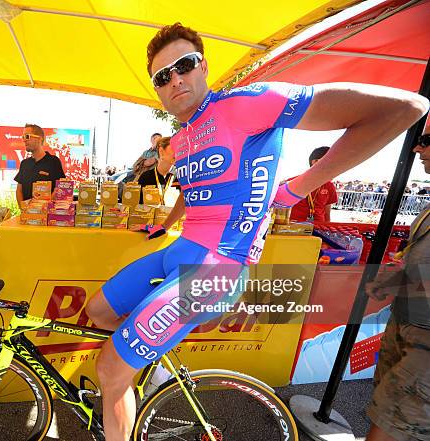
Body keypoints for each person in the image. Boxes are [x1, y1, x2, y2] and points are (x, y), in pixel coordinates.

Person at [84, 22, 429, 441]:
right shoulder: (184, 136)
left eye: (184, 65)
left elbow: (406, 108)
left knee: (109, 368)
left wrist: (299, 187)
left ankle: (122, 389)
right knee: (98, 312)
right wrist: (167, 224)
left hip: (215, 272)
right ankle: (144, 370)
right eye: (162, 77)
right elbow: (190, 192)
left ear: (203, 66)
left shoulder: (246, 103)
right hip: (180, 251)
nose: (174, 80)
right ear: (156, 89)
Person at [364, 129, 429, 441]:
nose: (417, 148)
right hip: (406, 326)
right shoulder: (428, 209)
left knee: (392, 423)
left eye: (428, 141)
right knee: (385, 410)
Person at [14, 123, 66, 205]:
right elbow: (19, 190)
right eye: (23, 137)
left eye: (27, 136)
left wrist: (45, 209)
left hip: (46, 215)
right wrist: (23, 209)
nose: (24, 140)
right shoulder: (24, 164)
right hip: (27, 215)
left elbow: (59, 188)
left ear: (39, 139)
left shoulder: (53, 162)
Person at [290, 146, 338, 222]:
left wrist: (326, 229)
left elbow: (327, 214)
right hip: (294, 229)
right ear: (315, 161)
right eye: (329, 160)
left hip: (318, 228)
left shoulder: (329, 186)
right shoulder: (293, 182)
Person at [137, 136, 178, 204]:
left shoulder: (179, 177)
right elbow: (139, 206)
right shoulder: (146, 177)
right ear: (161, 151)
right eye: (174, 147)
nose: (178, 151)